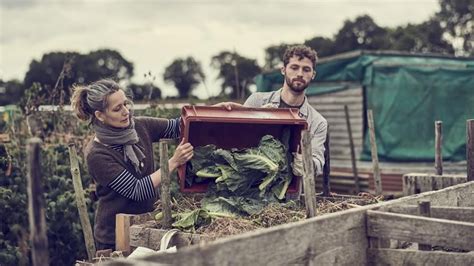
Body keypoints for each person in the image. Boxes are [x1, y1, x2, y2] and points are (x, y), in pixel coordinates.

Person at [71, 79, 197, 251]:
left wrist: (214, 112)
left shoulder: (138, 126)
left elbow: (178, 127)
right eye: (117, 109)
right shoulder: (97, 154)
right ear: (100, 115)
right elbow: (137, 190)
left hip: (148, 224)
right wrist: (173, 162)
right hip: (115, 238)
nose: (126, 112)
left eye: (125, 104)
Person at [244, 45, 327, 177]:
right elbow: (237, 141)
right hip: (250, 185)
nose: (300, 74)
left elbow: (318, 162)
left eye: (306, 69)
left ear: (313, 75)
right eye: (294, 67)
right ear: (283, 70)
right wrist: (256, 116)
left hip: (289, 192)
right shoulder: (257, 101)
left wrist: (307, 163)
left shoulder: (317, 122)